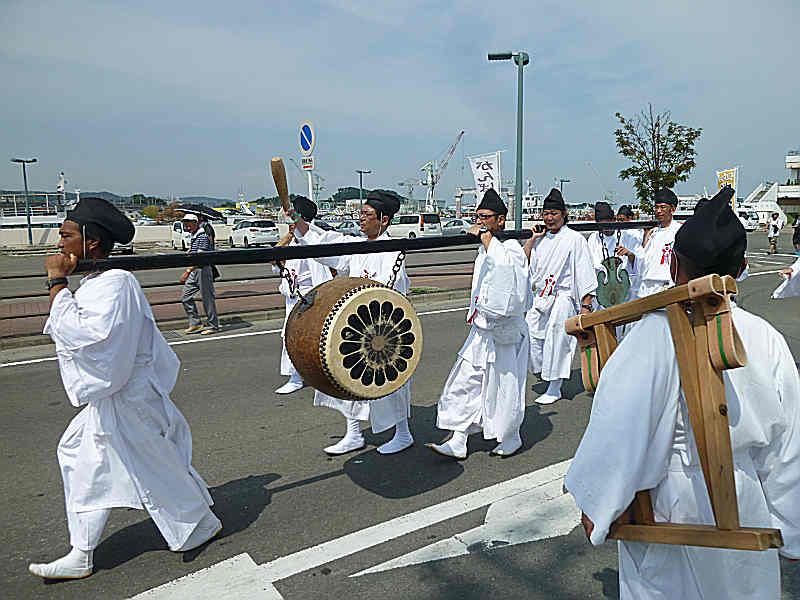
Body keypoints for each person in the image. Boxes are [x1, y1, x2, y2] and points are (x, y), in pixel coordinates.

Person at [565, 187, 800, 599]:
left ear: (673, 264)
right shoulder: (765, 338)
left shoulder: (652, 333)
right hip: (743, 500)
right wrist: (792, 528)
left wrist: (599, 503)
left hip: (668, 504)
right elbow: (788, 444)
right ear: (742, 268)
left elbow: (619, 427)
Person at [29, 198, 221, 581]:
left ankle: (195, 523)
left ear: (92, 242)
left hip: (127, 398)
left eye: (66, 236)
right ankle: (86, 550)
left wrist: (57, 283)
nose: (60, 244)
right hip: (118, 397)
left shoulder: (116, 283)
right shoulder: (100, 282)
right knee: (90, 458)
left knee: (145, 468)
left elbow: (91, 340)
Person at [287, 191, 414, 456]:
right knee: (347, 379)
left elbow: (393, 292)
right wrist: (297, 219)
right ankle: (354, 433)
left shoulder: (393, 251)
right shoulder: (356, 245)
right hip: (357, 324)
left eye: (368, 215)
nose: (361, 219)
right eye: (361, 213)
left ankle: (403, 434)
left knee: (391, 384)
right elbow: (323, 241)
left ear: (384, 220)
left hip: (384, 327)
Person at [429, 189, 532, 459]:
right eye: (478, 217)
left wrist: (487, 240)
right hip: (482, 330)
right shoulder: (485, 249)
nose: (480, 222)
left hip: (504, 333)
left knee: (504, 387)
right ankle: (458, 438)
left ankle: (511, 436)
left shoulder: (510, 249)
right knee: (465, 381)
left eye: (486, 217)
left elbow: (509, 285)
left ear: (501, 219)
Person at [524, 188, 597, 405]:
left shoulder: (574, 239)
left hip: (563, 298)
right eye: (546, 213)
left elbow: (584, 272)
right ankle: (544, 372)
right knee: (530, 335)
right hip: (540, 297)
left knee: (558, 341)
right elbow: (523, 264)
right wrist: (532, 239)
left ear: (564, 214)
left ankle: (555, 386)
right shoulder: (539, 240)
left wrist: (586, 305)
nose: (549, 218)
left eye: (554, 213)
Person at [273, 196, 333, 394]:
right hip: (292, 299)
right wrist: (289, 235)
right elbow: (275, 258)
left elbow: (321, 275)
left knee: (309, 338)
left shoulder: (312, 240)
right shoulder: (293, 240)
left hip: (307, 299)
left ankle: (310, 375)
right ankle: (296, 375)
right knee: (289, 337)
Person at [616, 188, 681, 298]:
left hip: (667, 285)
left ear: (672, 209)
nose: (658, 211)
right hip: (647, 287)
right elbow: (643, 261)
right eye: (656, 207)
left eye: (662, 207)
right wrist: (631, 254)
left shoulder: (679, 231)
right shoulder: (652, 233)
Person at [588, 201, 637, 307]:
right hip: (601, 291)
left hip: (624, 290)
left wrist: (630, 254)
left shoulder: (627, 236)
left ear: (613, 220)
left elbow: (639, 264)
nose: (606, 228)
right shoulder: (593, 238)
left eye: (608, 223)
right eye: (602, 224)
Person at [179, 213, 219, 335]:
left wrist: (187, 271)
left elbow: (200, 257)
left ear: (195, 223)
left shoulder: (202, 236)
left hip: (202, 269)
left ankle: (213, 325)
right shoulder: (195, 235)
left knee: (207, 299)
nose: (187, 226)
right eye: (185, 224)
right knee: (185, 297)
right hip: (195, 269)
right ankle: (195, 323)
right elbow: (196, 253)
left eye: (189, 223)